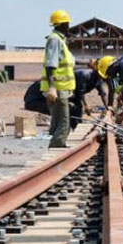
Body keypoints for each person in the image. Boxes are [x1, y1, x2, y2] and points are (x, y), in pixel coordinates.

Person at [42, 9, 76, 148]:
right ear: (62, 24)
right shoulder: (55, 40)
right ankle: (56, 148)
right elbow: (51, 65)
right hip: (57, 89)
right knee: (63, 122)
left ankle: (58, 147)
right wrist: (52, 88)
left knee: (60, 122)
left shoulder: (60, 40)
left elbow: (65, 63)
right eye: (67, 24)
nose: (69, 26)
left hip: (61, 90)